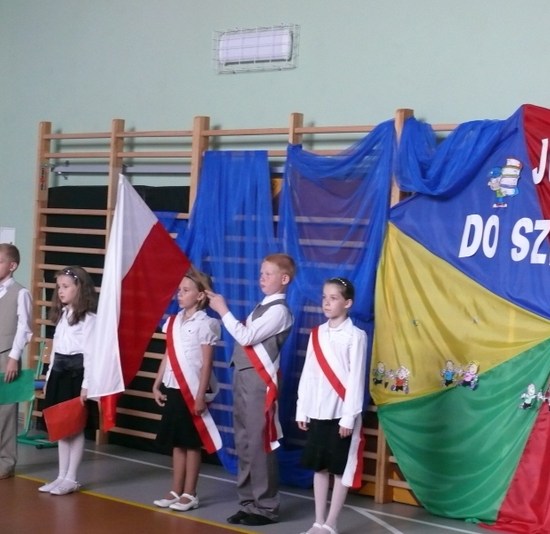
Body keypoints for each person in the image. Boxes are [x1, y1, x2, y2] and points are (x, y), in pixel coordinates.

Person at [206, 253, 295, 526]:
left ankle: (265, 507)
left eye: (268, 273)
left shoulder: (279, 311)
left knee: (259, 442)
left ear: (284, 279)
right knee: (244, 441)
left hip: (259, 381)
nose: (262, 278)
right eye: (261, 273)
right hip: (244, 376)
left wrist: (223, 309)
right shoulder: (262, 306)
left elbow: (246, 337)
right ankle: (248, 503)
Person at [296, 277, 367, 534]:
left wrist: (348, 417)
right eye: (324, 297)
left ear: (347, 303)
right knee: (319, 466)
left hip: (341, 413)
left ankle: (331, 523)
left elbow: (356, 378)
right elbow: (309, 373)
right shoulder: (317, 333)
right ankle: (318, 521)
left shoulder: (356, 336)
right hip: (318, 410)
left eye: (334, 298)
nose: (327, 302)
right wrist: (302, 409)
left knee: (339, 470)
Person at [152, 268, 221, 512]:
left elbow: (207, 364)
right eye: (179, 290)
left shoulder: (207, 324)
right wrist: (157, 382)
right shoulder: (172, 322)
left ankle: (190, 493)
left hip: (191, 390)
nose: (179, 294)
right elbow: (168, 354)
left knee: (191, 443)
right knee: (177, 441)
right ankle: (175, 489)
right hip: (173, 386)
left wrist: (200, 396)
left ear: (200, 295)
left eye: (186, 290)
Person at [38, 266, 97, 495]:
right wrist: (48, 377)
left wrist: (86, 385)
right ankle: (61, 476)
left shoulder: (89, 319)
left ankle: (72, 477)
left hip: (76, 376)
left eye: (65, 286)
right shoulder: (63, 315)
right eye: (59, 287)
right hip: (59, 374)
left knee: (75, 427)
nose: (60, 291)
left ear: (79, 288)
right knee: (62, 427)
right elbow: (56, 350)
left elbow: (90, 354)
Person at [0, 244, 32, 480]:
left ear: (12, 266)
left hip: (6, 356)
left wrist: (13, 357)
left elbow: (24, 328)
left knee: (6, 411)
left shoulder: (21, 293)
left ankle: (6, 462)